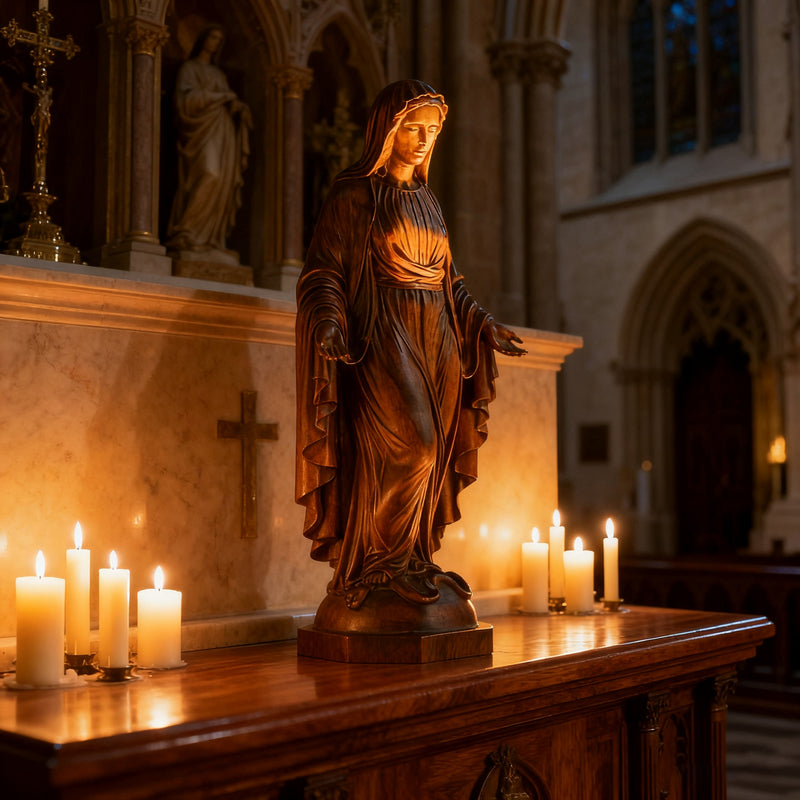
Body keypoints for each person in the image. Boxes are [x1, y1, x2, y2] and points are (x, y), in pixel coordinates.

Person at [296, 79, 526, 616]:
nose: (423, 139)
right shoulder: (353, 194)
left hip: (440, 335)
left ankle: (413, 556)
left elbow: (451, 282)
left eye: (432, 130)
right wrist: (329, 320)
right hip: (384, 330)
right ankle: (376, 564)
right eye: (412, 128)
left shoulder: (428, 200)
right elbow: (322, 271)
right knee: (413, 445)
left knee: (437, 449)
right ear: (387, 129)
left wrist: (483, 322)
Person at [167, 25, 251, 261]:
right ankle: (186, 233)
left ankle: (211, 239)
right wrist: (222, 97)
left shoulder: (219, 74)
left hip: (223, 130)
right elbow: (185, 103)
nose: (215, 42)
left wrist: (238, 108)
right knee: (209, 173)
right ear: (203, 39)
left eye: (219, 39)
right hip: (201, 130)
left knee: (221, 180)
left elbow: (230, 102)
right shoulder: (190, 68)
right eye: (213, 37)